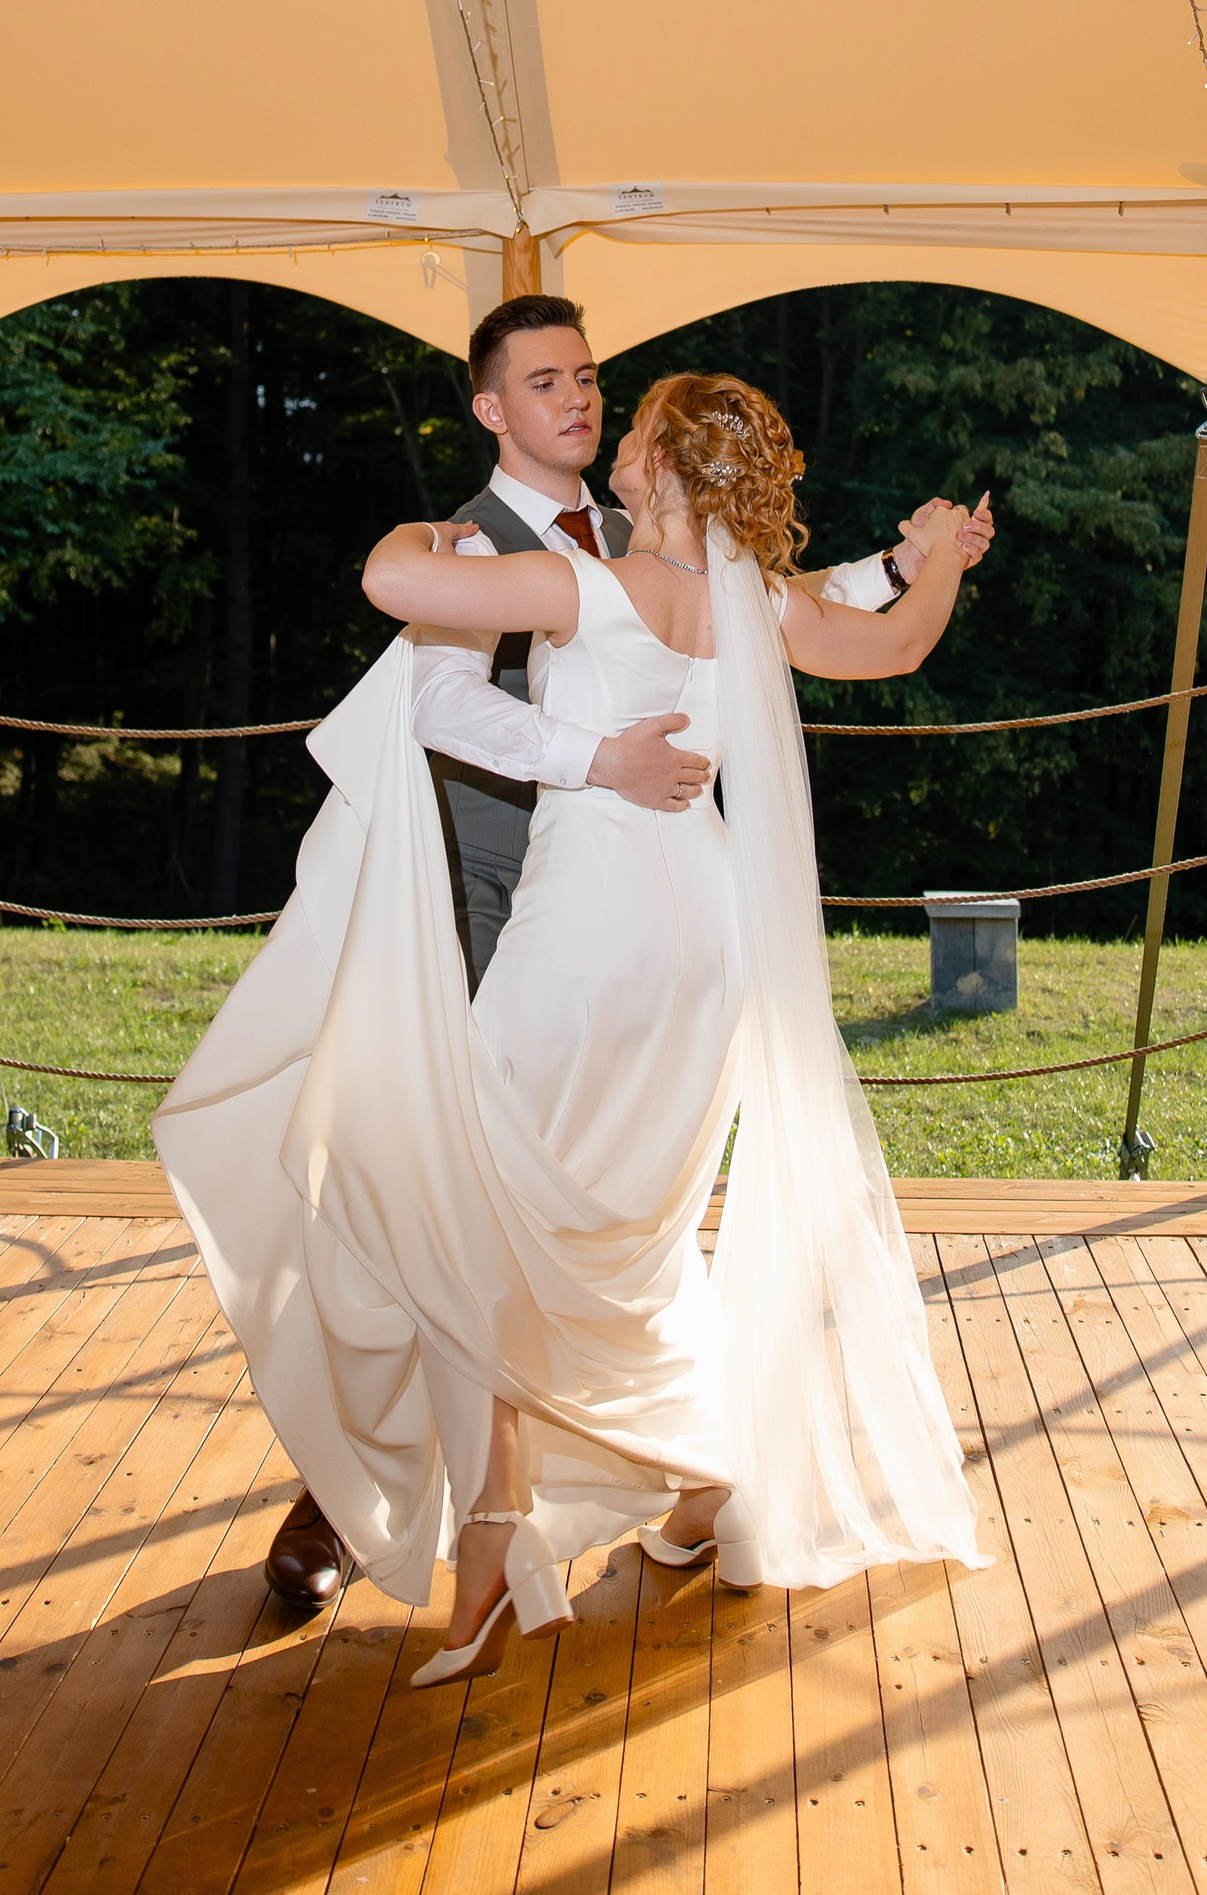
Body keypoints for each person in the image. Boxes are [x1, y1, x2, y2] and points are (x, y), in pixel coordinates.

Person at [155, 366, 992, 1680]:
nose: (620, 438)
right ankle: (700, 1477)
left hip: (590, 939)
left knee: (468, 1202)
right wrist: (935, 561)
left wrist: (423, 539)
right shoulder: (754, 603)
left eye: (639, 428)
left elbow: (392, 584)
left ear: (667, 468)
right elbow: (888, 643)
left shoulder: (583, 585)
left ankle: (497, 1536)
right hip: (705, 949)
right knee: (620, 1229)